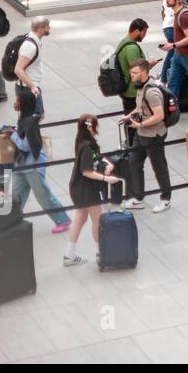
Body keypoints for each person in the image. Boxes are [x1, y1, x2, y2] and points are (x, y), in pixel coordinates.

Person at [9, 87, 72, 233]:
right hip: (21, 164)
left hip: (32, 166)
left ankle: (63, 220)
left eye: (17, 99)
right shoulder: (24, 118)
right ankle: (13, 219)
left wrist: (12, 135)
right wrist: (13, 130)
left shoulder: (30, 122)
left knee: (43, 195)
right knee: (17, 195)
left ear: (23, 102)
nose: (15, 101)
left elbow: (26, 146)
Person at [63, 114, 120, 266]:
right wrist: (106, 178)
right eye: (95, 126)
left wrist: (108, 163)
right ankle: (100, 253)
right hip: (86, 190)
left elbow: (97, 157)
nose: (97, 129)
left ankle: (69, 255)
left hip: (79, 188)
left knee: (80, 220)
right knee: (97, 220)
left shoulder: (84, 143)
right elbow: (87, 171)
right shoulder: (87, 147)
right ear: (89, 127)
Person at [123, 59, 174, 212]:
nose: (131, 75)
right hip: (142, 133)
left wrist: (140, 125)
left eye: (135, 73)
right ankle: (138, 198)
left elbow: (159, 115)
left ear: (144, 72)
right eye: (131, 72)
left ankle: (166, 199)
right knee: (134, 163)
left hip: (154, 135)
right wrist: (129, 116)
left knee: (159, 167)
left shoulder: (151, 92)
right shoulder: (140, 87)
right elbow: (140, 107)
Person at [12, 15, 50, 117]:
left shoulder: (34, 40)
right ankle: (22, 132)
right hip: (28, 87)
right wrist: (32, 86)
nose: (49, 28)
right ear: (41, 28)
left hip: (27, 86)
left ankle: (24, 132)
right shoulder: (30, 46)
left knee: (30, 116)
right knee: (35, 116)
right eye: (47, 26)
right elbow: (18, 69)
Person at [115, 19, 150, 113]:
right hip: (132, 91)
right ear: (137, 31)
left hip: (127, 89)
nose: (144, 36)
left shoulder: (123, 42)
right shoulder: (132, 48)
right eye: (144, 33)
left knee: (130, 118)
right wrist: (149, 65)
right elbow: (138, 71)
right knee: (135, 119)